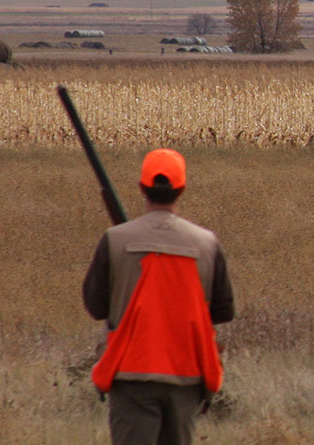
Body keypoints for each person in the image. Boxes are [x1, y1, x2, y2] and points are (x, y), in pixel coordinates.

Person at [82, 149, 234, 445]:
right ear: (182, 189)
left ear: (141, 188)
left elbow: (95, 306)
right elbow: (223, 310)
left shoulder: (115, 239)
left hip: (131, 378)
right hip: (187, 376)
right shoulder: (207, 243)